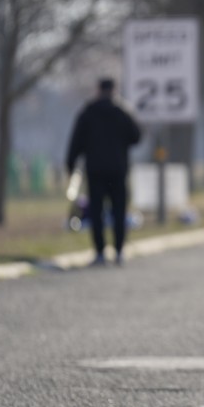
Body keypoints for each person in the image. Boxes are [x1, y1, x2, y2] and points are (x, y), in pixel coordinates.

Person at [65, 77, 142, 266]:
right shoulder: (122, 111)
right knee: (119, 211)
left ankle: (100, 252)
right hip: (118, 170)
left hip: (96, 171)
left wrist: (71, 164)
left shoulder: (88, 111)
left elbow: (76, 141)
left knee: (96, 211)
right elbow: (136, 136)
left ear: (98, 90)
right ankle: (119, 251)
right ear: (114, 90)